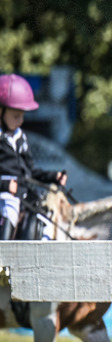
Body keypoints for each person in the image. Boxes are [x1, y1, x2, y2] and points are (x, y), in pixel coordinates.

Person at [0, 74, 67, 240]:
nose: (20, 121)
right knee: (10, 208)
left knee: (44, 215)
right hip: (5, 194)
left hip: (24, 193)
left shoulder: (20, 138)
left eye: (22, 116)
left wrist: (53, 177)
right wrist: (5, 184)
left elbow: (31, 171)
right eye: (16, 116)